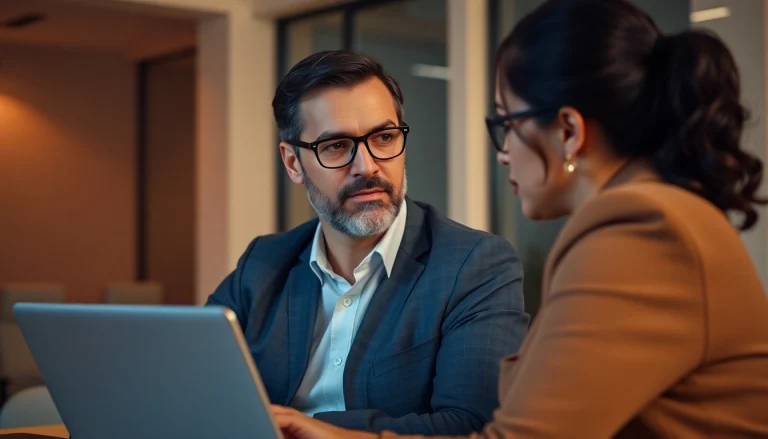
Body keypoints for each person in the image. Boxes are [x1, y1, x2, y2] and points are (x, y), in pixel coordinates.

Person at [269, 0, 768, 437]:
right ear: (293, 162)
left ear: (569, 131)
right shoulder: (649, 216)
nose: (503, 153)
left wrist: (329, 433)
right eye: (337, 145)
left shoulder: (638, 228)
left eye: (507, 123)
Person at [206, 50, 529, 435]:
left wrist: (318, 430)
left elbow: (473, 425)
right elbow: (190, 384)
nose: (368, 165)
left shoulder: (474, 265)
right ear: (293, 163)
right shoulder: (263, 264)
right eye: (337, 146)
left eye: (384, 137)